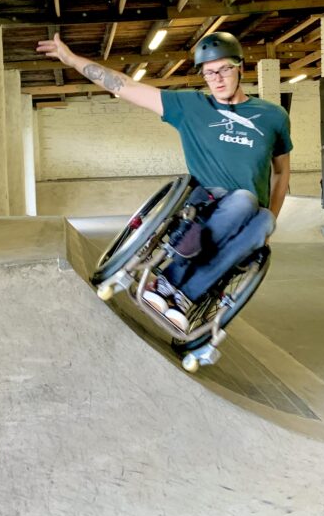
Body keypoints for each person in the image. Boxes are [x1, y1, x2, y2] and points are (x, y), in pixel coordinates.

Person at [36, 30, 292, 331]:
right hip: (205, 202)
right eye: (210, 73)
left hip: (246, 218)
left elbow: (282, 170)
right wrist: (71, 59)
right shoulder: (191, 106)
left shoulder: (273, 116)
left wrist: (272, 217)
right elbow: (124, 85)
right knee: (245, 200)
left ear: (240, 68)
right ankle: (167, 282)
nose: (218, 78)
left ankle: (184, 296)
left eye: (225, 69)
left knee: (263, 221)